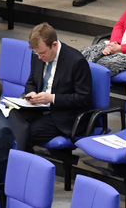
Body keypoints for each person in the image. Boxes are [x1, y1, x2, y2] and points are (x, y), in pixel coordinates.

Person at [9, 23, 93, 152]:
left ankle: (24, 167)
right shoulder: (38, 54)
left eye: (42, 54)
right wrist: (31, 92)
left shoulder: (76, 61)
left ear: (54, 45)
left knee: (27, 133)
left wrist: (52, 98)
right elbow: (31, 81)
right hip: (39, 108)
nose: (40, 57)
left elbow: (83, 98)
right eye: (37, 54)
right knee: (9, 119)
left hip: (63, 115)